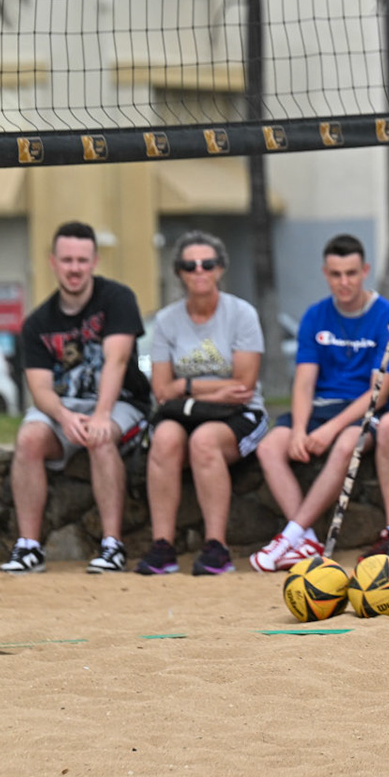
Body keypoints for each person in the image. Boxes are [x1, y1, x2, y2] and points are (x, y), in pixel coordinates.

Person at [250, 235, 389, 570]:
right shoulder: (314, 316)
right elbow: (304, 381)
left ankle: (290, 535)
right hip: (320, 407)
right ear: (326, 273)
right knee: (269, 447)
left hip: (365, 410)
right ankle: (307, 539)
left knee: (343, 446)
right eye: (336, 274)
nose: (344, 282)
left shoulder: (388, 316)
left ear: (365, 270)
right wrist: (298, 429)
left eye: (351, 273)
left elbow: (378, 392)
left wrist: (327, 430)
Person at [0, 221, 152, 574]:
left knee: (100, 440)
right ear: (53, 262)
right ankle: (29, 547)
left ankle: (112, 545)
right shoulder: (37, 323)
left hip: (121, 402)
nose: (74, 268)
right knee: (29, 439)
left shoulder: (117, 299)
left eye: (82, 260)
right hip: (65, 406)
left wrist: (101, 416)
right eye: (67, 260)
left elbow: (116, 359)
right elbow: (39, 390)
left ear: (95, 261)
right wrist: (65, 419)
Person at [135, 232, 268, 576]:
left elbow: (244, 385)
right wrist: (203, 389)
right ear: (178, 272)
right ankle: (163, 546)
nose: (199, 271)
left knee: (204, 442)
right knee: (164, 440)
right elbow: (163, 390)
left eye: (207, 264)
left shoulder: (241, 314)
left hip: (239, 413)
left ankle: (216, 548)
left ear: (220, 268)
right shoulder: (166, 320)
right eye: (189, 265)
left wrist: (187, 385)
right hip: (185, 411)